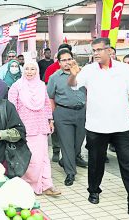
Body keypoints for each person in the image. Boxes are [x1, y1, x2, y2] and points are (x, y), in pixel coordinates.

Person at [67, 37, 129, 219]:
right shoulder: (88, 70)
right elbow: (73, 85)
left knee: (128, 165)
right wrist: (73, 74)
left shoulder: (124, 70)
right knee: (96, 162)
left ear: (109, 50)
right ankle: (94, 190)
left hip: (123, 126)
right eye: (93, 50)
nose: (95, 53)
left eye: (99, 50)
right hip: (96, 126)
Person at [8, 61, 61, 196]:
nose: (29, 72)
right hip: (24, 128)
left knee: (43, 157)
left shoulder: (41, 85)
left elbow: (46, 104)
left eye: (33, 69)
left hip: (41, 126)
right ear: (23, 70)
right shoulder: (16, 87)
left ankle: (47, 185)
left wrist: (50, 120)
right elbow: (11, 108)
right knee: (30, 159)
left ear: (37, 71)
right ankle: (29, 185)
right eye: (27, 69)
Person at [47, 49, 87, 186]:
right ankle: (70, 172)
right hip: (63, 113)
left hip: (81, 112)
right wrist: (52, 116)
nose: (67, 62)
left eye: (69, 59)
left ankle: (65, 161)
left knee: (78, 143)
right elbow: (50, 97)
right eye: (63, 60)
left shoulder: (82, 74)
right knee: (67, 144)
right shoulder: (54, 78)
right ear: (58, 62)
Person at [43, 43, 72, 163]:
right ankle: (56, 150)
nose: (66, 61)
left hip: (71, 105)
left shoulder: (76, 69)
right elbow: (47, 87)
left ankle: (74, 155)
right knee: (55, 129)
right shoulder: (51, 68)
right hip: (55, 103)